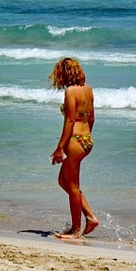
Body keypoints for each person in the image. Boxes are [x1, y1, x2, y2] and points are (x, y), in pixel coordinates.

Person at [48, 57, 99, 239]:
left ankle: (76, 230)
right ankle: (89, 217)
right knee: (63, 181)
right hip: (86, 140)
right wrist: (86, 139)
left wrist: (60, 147)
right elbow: (91, 118)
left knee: (73, 186)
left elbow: (69, 120)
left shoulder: (70, 92)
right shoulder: (88, 90)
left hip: (75, 140)